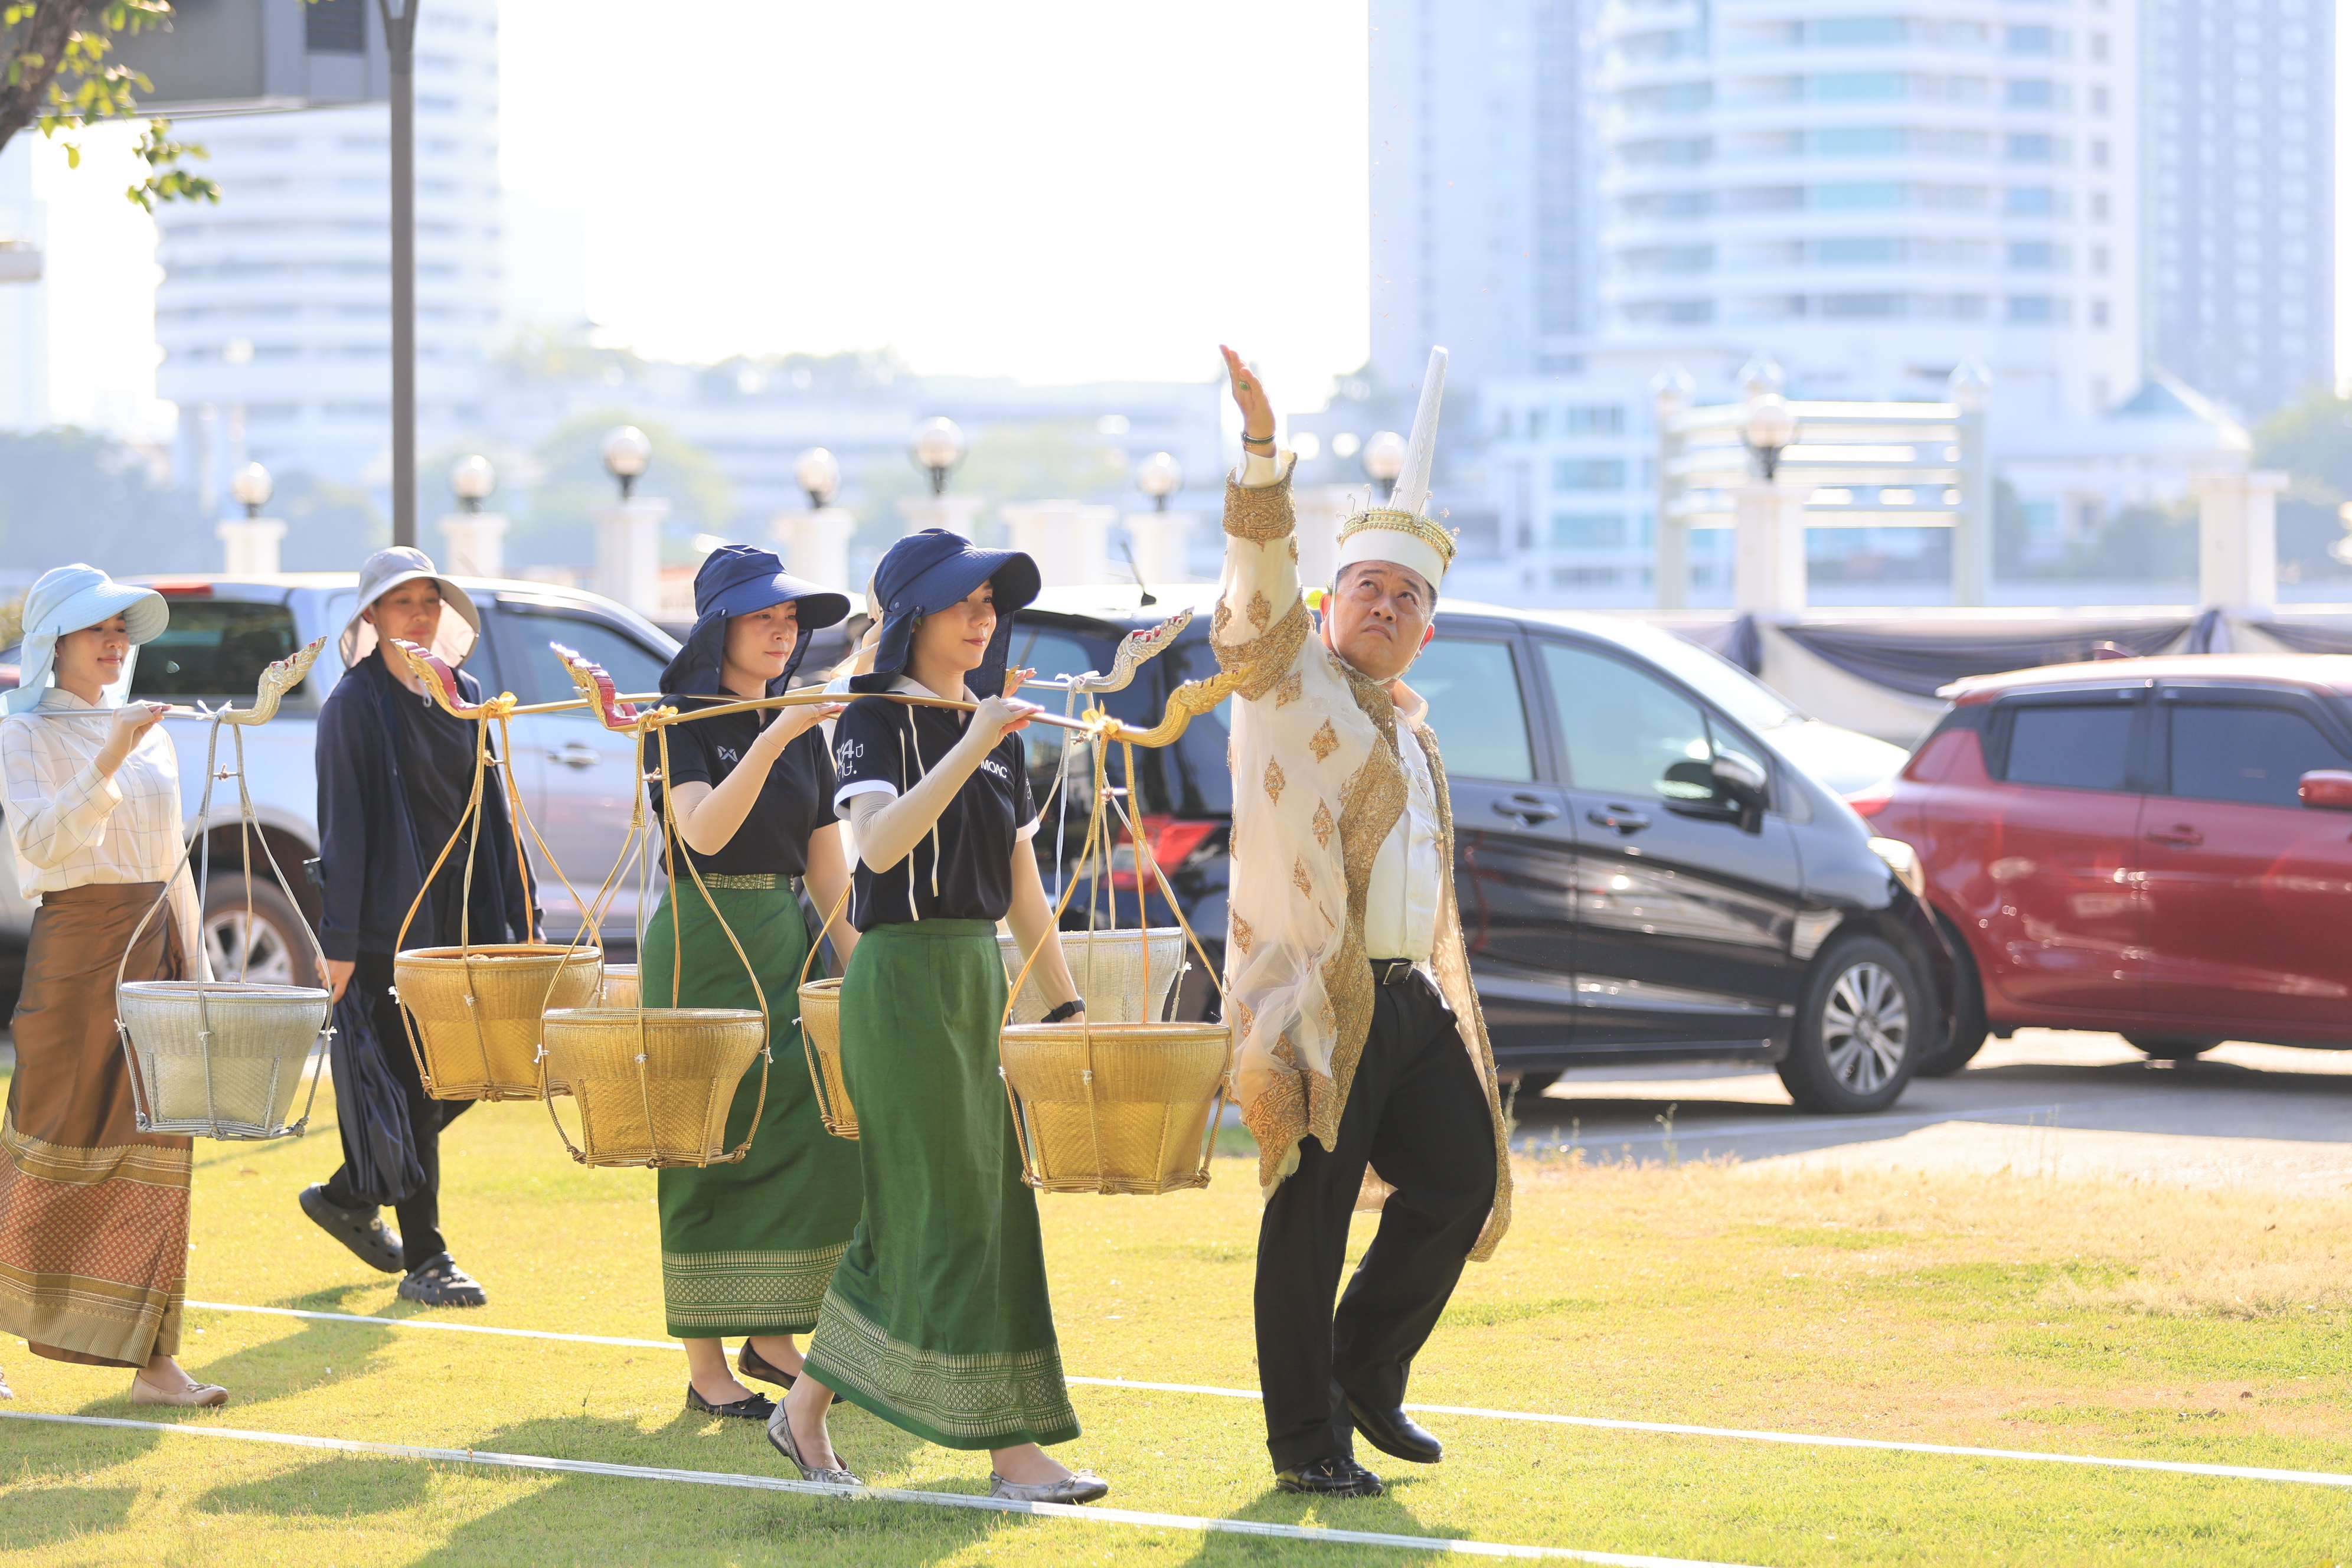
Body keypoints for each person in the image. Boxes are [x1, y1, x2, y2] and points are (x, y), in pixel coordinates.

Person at [1212, 345, 1513, 1497]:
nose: (1385, 607)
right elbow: (1256, 583)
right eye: (1367, 589)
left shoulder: (1415, 728)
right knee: (1310, 1221)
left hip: (1406, 998)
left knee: (1459, 1178)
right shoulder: (1287, 685)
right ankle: (1306, 1442)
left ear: (1426, 630)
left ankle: (1365, 1370)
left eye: (1408, 598)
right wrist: (1259, 449)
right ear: (1329, 605)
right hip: (1308, 997)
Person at [772, 528, 1107, 1505]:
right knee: (937, 1212)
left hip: (971, 982)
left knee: (986, 1210)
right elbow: (875, 848)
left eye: (992, 604)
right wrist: (971, 741)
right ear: (912, 615)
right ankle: (1002, 1454)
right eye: (965, 601)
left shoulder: (996, 731)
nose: (983, 618)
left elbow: (1022, 891)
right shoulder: (874, 719)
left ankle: (831, 1418)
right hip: (901, 985)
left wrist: (1068, 1004)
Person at [639, 545, 864, 1422]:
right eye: (763, 617)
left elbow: (827, 871)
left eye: (791, 619)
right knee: (704, 1136)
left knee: (809, 1130)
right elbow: (701, 831)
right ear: (717, 627)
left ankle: (772, 1336)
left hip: (783, 940)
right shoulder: (678, 718)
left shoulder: (803, 723)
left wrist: (860, 959)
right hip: (701, 936)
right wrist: (774, 734)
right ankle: (705, 1365)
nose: (783, 633)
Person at [0, 565, 226, 1406]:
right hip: (76, 954)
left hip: (156, 952)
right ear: (51, 641)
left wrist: (199, 972)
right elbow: (44, 848)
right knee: (48, 1144)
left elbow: (174, 860)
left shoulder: (152, 731)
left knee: (158, 1147)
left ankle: (153, 1363)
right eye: (96, 628)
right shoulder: (20, 735)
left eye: (122, 630)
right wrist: (108, 755)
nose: (113, 643)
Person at [298, 547, 533, 1308]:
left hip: (465, 922)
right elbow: (345, 835)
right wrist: (339, 947)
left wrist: (514, 922)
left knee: (469, 1077)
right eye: (404, 604)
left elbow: (492, 815)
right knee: (412, 1083)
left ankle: (345, 1193)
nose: (421, 616)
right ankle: (427, 1258)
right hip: (386, 934)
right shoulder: (351, 709)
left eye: (431, 602)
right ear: (371, 616)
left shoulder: (462, 693)